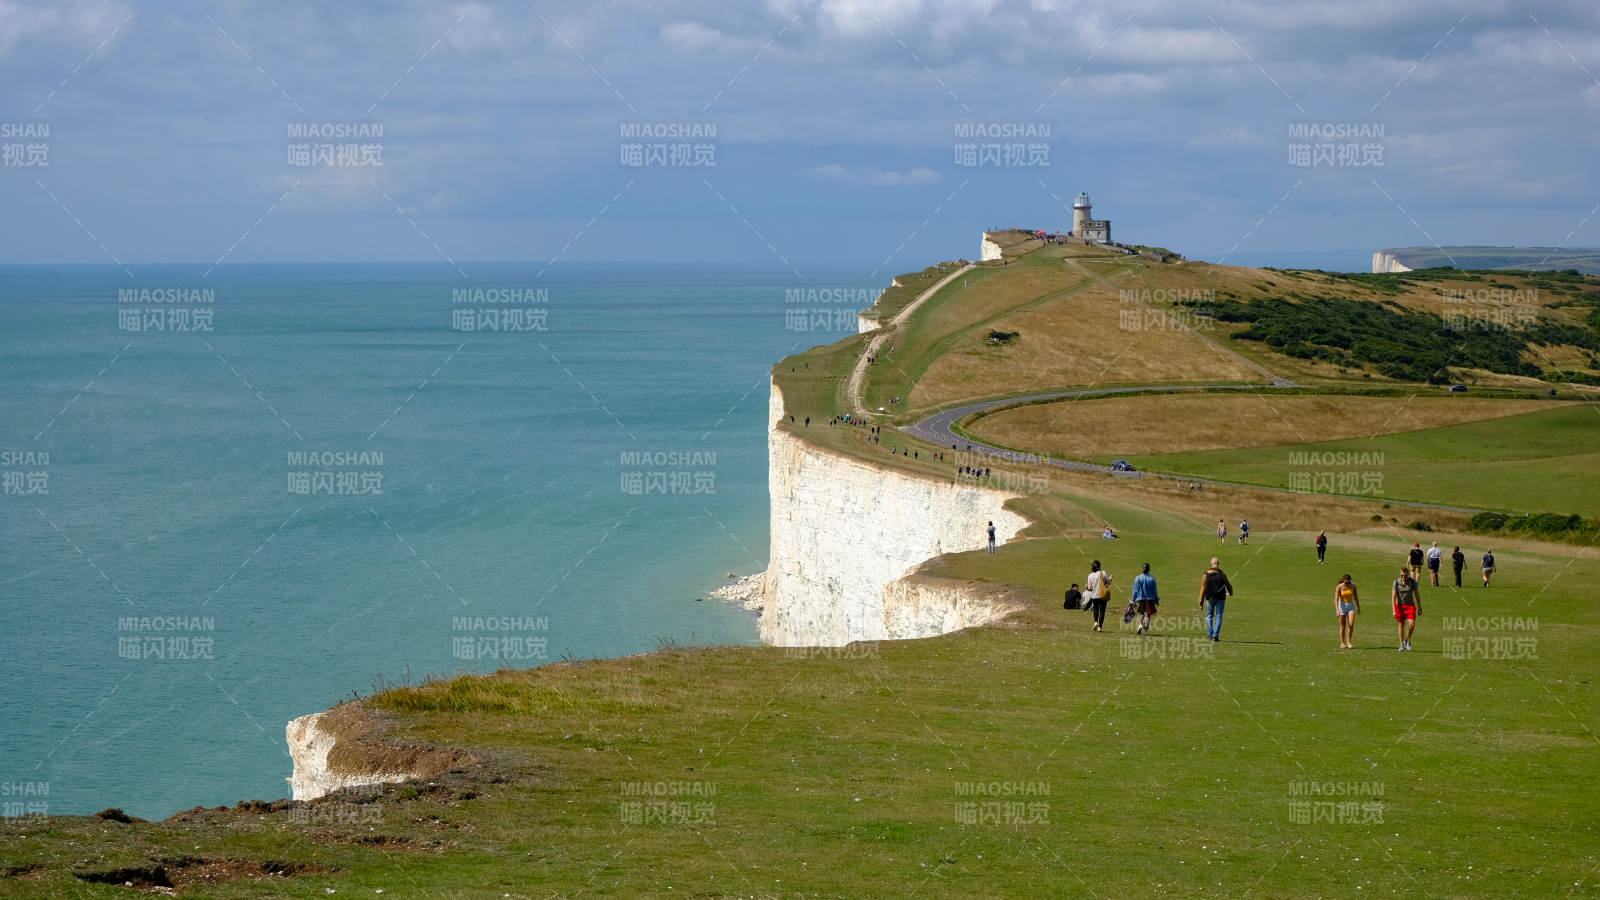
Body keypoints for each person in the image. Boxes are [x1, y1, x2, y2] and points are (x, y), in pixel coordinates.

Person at [1198, 557, 1233, 642]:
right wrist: (1231, 593)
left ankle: (1210, 635)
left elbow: (1203, 589)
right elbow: (1228, 585)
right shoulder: (1222, 574)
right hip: (1220, 598)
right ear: (1218, 564)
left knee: (1210, 616)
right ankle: (1215, 636)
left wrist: (1201, 602)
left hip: (1210, 599)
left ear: (1211, 563)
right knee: (1219, 616)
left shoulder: (1206, 574)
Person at [1392, 565, 1421, 651]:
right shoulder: (1396, 582)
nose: (1403, 577)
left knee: (1412, 624)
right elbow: (1393, 597)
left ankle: (1407, 640)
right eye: (1402, 575)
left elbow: (1417, 595)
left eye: (1405, 575)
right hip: (1400, 606)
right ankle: (1401, 644)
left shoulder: (1412, 582)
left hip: (1410, 605)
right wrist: (1394, 610)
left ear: (1408, 575)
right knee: (1401, 624)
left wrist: (1419, 607)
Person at [1131, 563, 1160, 635]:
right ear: (1149, 569)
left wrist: (1133, 600)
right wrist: (1156, 600)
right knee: (1147, 614)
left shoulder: (1137, 578)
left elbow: (1135, 591)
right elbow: (1155, 591)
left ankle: (1140, 625)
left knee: (1140, 613)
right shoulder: (1152, 579)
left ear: (1142, 569)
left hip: (1140, 599)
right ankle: (1145, 631)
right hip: (1150, 599)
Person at [1334, 574, 1360, 649]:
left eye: (1349, 582)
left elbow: (1356, 597)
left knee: (1351, 624)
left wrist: (1358, 608)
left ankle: (1349, 642)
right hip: (1342, 606)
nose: (1348, 584)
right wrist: (1337, 610)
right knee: (1343, 626)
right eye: (1346, 583)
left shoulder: (1353, 586)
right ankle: (1342, 643)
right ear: (1343, 581)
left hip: (1351, 606)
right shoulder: (1339, 587)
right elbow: (1336, 599)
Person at [1086, 561, 1113, 632]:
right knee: (1102, 611)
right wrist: (1110, 578)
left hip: (1094, 595)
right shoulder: (1103, 573)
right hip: (1103, 594)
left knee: (1095, 609)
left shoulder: (1090, 575)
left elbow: (1089, 588)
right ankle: (1100, 627)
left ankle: (1095, 622)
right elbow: (1109, 582)